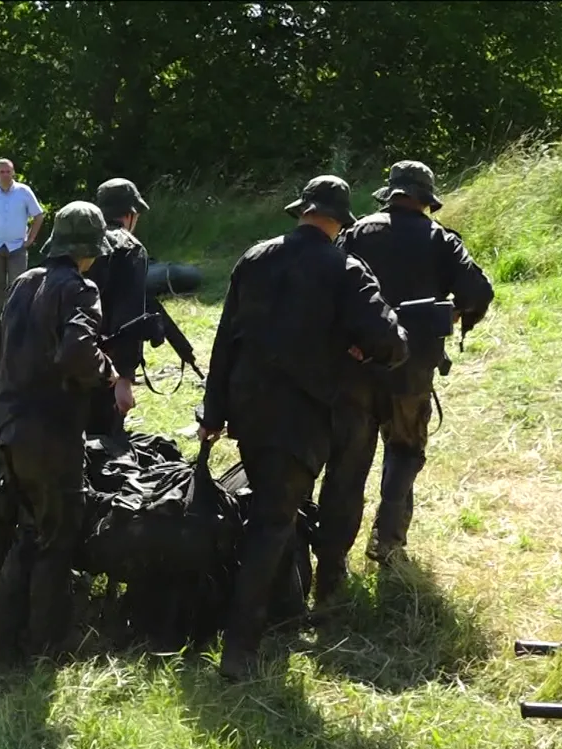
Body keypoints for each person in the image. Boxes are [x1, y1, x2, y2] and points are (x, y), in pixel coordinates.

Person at [197, 175, 409, 679]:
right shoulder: (346, 268)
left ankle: (281, 611)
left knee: (274, 513)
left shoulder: (254, 258)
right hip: (303, 416)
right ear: (339, 222)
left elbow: (226, 337)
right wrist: (369, 344)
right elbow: (392, 342)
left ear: (302, 213)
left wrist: (214, 411)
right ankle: (240, 648)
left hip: (249, 409)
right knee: (272, 523)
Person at [313, 161, 495, 599]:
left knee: (347, 465)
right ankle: (388, 543)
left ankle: (332, 567)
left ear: (391, 193)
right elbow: (479, 292)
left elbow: (325, 289)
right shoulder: (440, 239)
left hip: (355, 369)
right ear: (425, 199)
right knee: (405, 451)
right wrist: (454, 312)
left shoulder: (354, 235)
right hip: (411, 372)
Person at [0, 200, 118, 664]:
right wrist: (106, 373)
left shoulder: (23, 283)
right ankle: (48, 646)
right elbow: (78, 352)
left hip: (9, 422)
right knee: (58, 536)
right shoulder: (80, 288)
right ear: (89, 250)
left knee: (31, 528)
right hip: (49, 428)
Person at [85, 178, 152, 439]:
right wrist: (125, 378)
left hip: (75, 353)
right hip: (108, 365)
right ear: (130, 214)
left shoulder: (80, 242)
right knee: (105, 440)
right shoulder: (131, 249)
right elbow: (131, 316)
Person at [0, 159, 45, 313]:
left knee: (19, 283)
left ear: (13, 172)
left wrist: (31, 238)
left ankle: (16, 317)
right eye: (2, 172)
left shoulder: (24, 192)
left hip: (17, 246)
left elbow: (39, 215)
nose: (6, 175)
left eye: (8, 171)